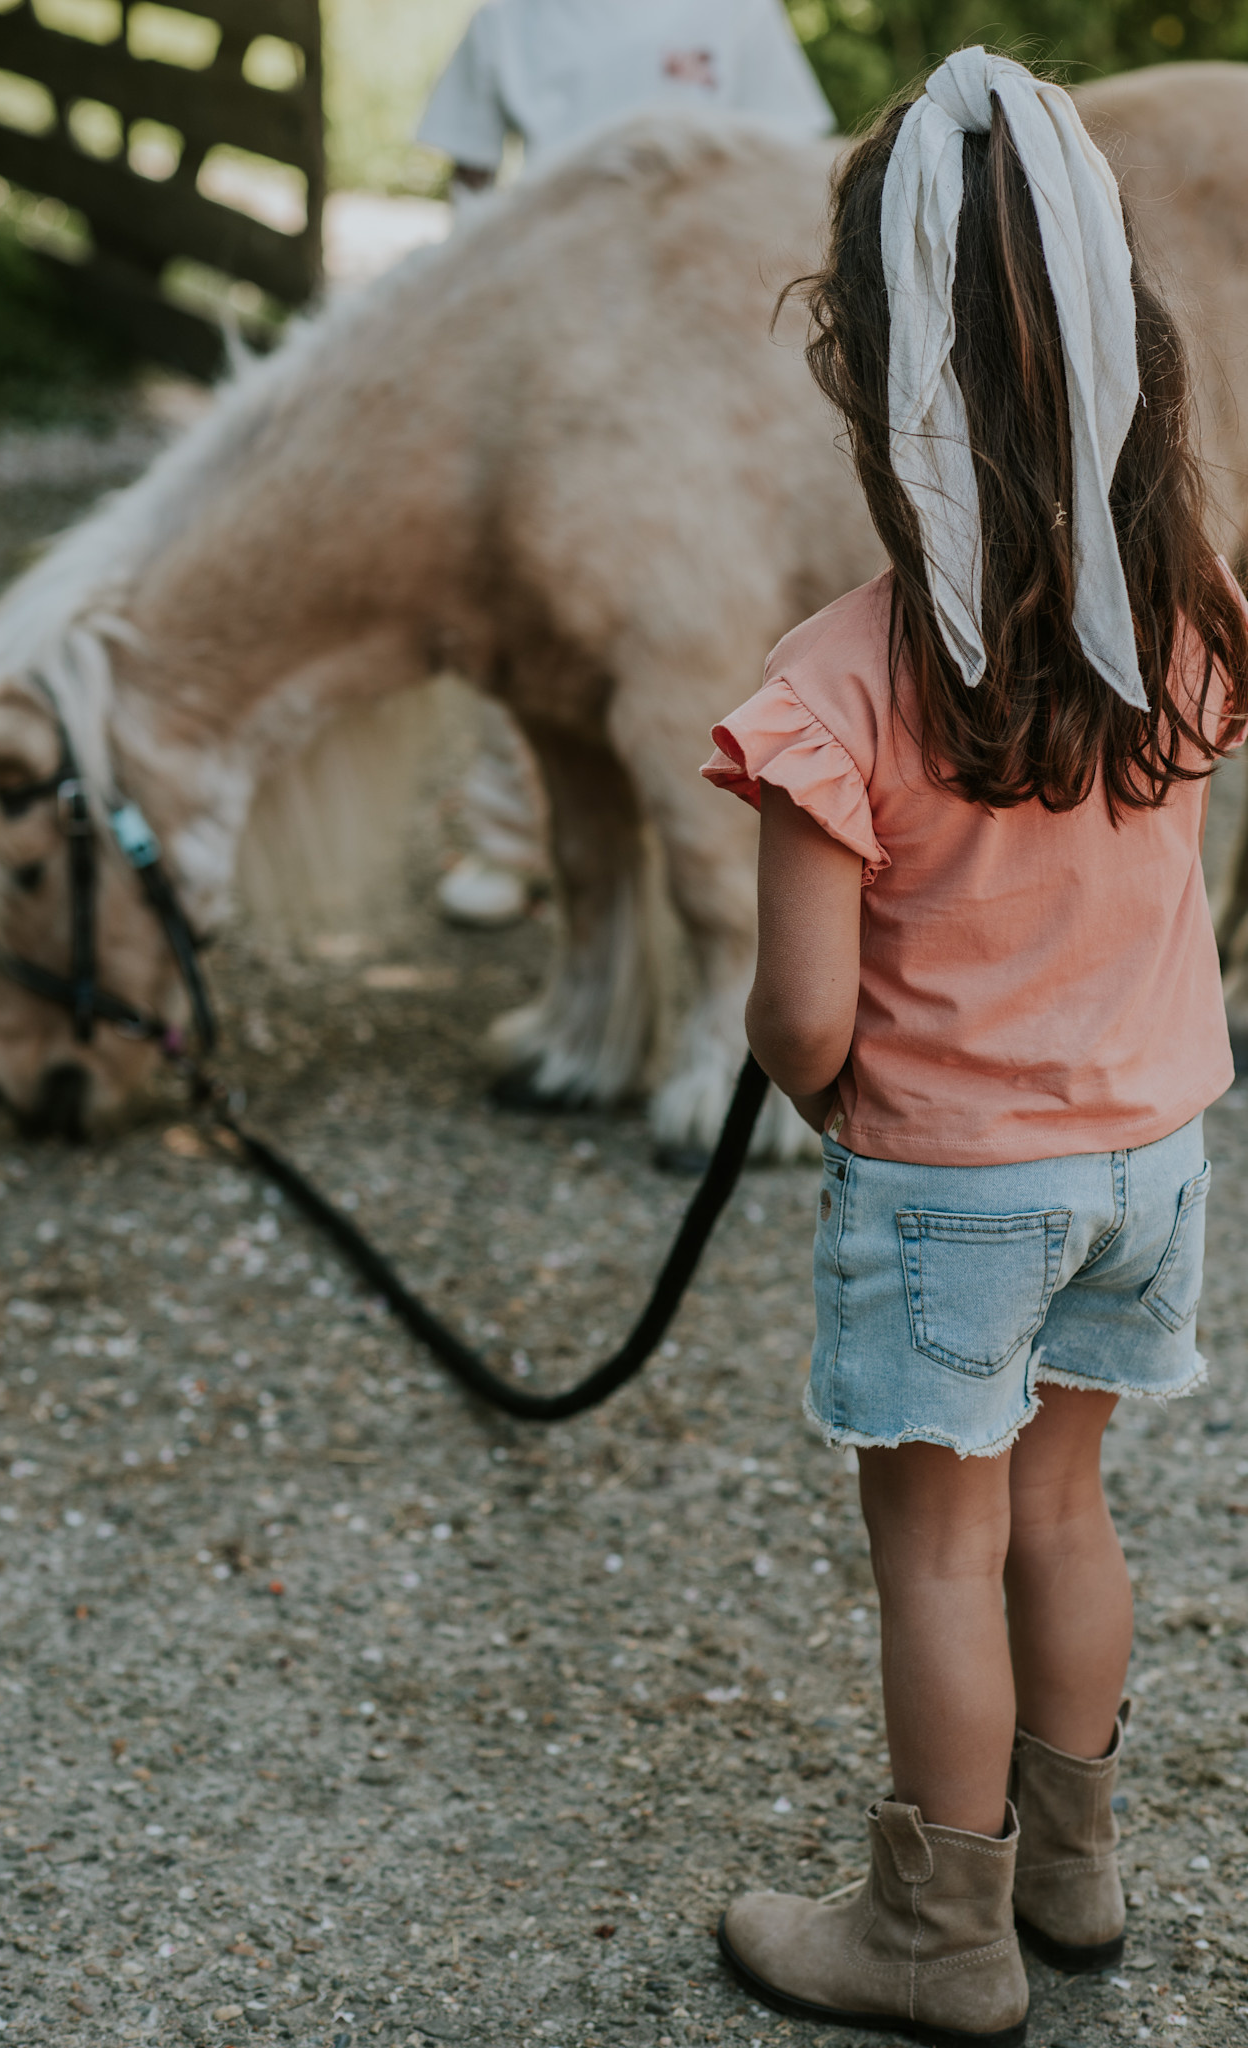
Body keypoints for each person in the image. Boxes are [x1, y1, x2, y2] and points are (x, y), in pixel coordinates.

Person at [700, 48, 1248, 2043]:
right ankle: (1072, 1869)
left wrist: (823, 1090)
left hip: (953, 1182)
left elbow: (801, 1013)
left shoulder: (836, 679)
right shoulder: (1185, 611)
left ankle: (939, 1934)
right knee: (1062, 1507)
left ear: (867, 369)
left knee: (936, 1547)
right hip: (1149, 1162)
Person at [418, 0, 835, 926]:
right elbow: (470, 179)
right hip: (553, 344)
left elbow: (794, 168)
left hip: (703, 343)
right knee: (522, 586)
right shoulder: (510, 18)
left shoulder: (736, 13)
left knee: (697, 594)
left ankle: (732, 824)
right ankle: (508, 835)